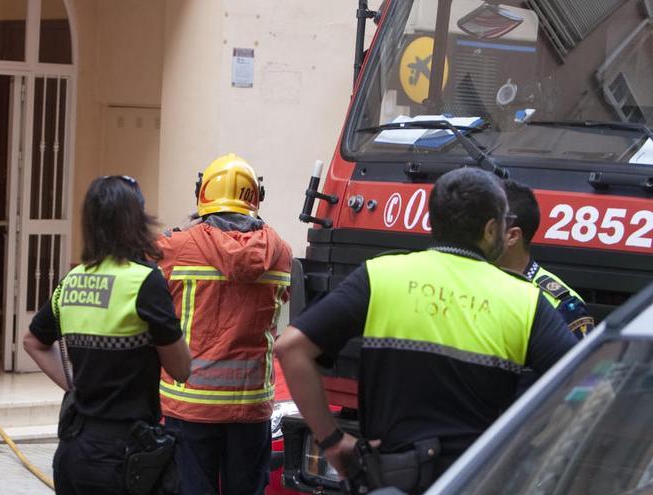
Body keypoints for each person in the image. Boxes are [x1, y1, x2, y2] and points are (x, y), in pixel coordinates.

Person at [275, 168, 577, 494]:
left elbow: (291, 348)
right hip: (478, 480)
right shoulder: (526, 300)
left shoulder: (381, 276)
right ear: (492, 230)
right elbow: (590, 381)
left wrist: (332, 440)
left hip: (390, 479)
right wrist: (529, 450)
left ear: (433, 222)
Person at [23, 176, 191, 495]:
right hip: (125, 455)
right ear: (136, 219)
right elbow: (181, 369)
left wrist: (75, 386)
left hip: (73, 448)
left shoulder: (71, 280)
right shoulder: (145, 282)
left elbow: (33, 341)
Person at [157, 154, 292, 495]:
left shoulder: (174, 248)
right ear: (256, 197)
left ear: (202, 193)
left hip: (190, 404)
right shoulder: (280, 252)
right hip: (251, 407)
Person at [498, 179, 595, 339]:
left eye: (486, 227)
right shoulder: (467, 278)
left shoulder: (562, 306)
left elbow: (581, 363)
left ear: (512, 236)